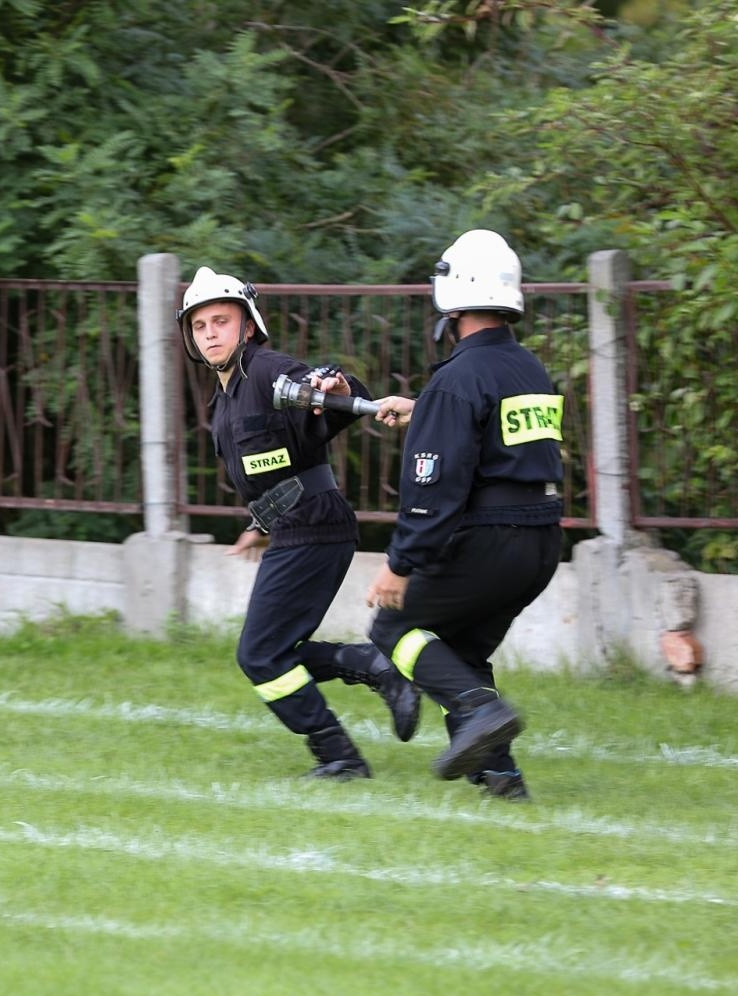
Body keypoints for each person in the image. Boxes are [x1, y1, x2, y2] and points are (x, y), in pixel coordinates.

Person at [180, 266, 420, 780]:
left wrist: (335, 385)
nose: (210, 334)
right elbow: (273, 465)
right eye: (199, 326)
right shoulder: (224, 399)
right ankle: (370, 667)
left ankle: (340, 754)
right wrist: (259, 522)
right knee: (271, 652)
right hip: (294, 527)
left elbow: (326, 396)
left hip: (315, 527)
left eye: (221, 321)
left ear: (248, 326)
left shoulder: (268, 370)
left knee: (260, 655)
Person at [364, 229, 564, 800]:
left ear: (449, 302)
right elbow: (494, 435)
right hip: (541, 543)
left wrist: (400, 564)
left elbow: (433, 490)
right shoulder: (528, 368)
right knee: (461, 650)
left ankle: (479, 709)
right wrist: (428, 408)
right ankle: (502, 777)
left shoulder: (455, 380)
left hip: (490, 541)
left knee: (394, 629)